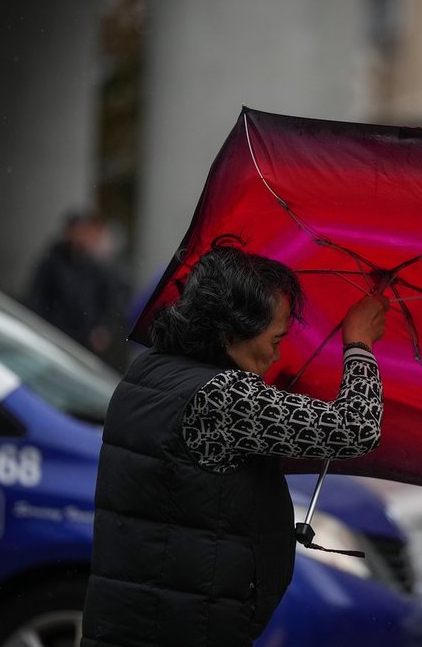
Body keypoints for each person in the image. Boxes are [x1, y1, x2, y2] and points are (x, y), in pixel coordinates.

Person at [80, 240, 388, 647]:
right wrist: (359, 343)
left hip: (131, 624)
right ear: (229, 333)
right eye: (275, 341)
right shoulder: (223, 397)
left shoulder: (149, 372)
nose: (277, 357)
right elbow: (356, 427)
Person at [26, 211, 128, 362]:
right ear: (68, 232)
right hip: (55, 339)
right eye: (79, 231)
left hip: (85, 345)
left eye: (86, 232)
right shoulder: (51, 264)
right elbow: (37, 299)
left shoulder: (96, 267)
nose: (82, 237)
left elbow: (110, 302)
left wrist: (103, 329)